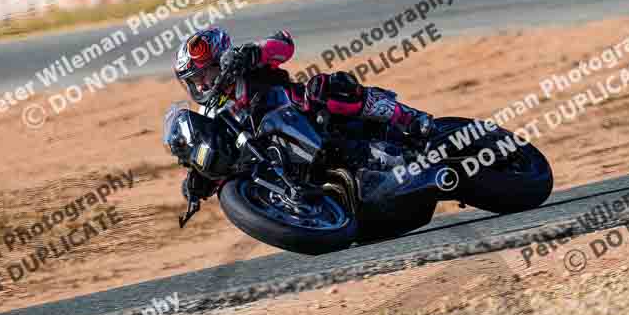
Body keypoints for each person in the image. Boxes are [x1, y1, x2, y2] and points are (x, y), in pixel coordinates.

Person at [171, 26, 434, 204]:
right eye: (194, 81)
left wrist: (255, 53)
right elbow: (219, 152)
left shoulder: (245, 64)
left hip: (311, 120)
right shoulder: (210, 113)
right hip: (285, 165)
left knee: (322, 87)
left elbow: (284, 43)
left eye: (202, 75)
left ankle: (409, 118)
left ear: (219, 61)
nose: (202, 85)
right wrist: (200, 178)